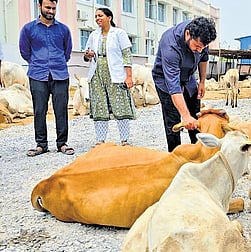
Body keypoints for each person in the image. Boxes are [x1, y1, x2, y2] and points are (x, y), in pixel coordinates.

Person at [19, 0, 74, 156]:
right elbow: (24, 51)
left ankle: (62, 144)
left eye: (53, 8)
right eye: (48, 7)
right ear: (39, 7)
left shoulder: (63, 29)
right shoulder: (28, 29)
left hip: (60, 75)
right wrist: (37, 62)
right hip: (38, 75)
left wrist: (57, 62)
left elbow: (67, 51)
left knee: (61, 110)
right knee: (39, 110)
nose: (51, 11)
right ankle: (41, 145)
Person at [152, 17, 217, 152]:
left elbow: (204, 57)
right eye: (197, 47)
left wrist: (202, 81)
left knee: (195, 114)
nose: (200, 50)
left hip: (188, 77)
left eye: (203, 47)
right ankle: (175, 156)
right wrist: (185, 116)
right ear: (188, 34)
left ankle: (199, 151)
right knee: (174, 121)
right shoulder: (170, 45)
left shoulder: (201, 36)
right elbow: (174, 86)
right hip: (166, 80)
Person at [83, 8, 136, 146]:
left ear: (109, 17)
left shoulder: (119, 33)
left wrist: (129, 76)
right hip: (97, 74)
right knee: (100, 107)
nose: (97, 18)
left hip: (116, 74)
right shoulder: (94, 35)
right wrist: (88, 55)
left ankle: (124, 140)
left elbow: (127, 56)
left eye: (100, 15)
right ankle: (100, 140)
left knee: (120, 106)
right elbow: (86, 56)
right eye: (95, 16)